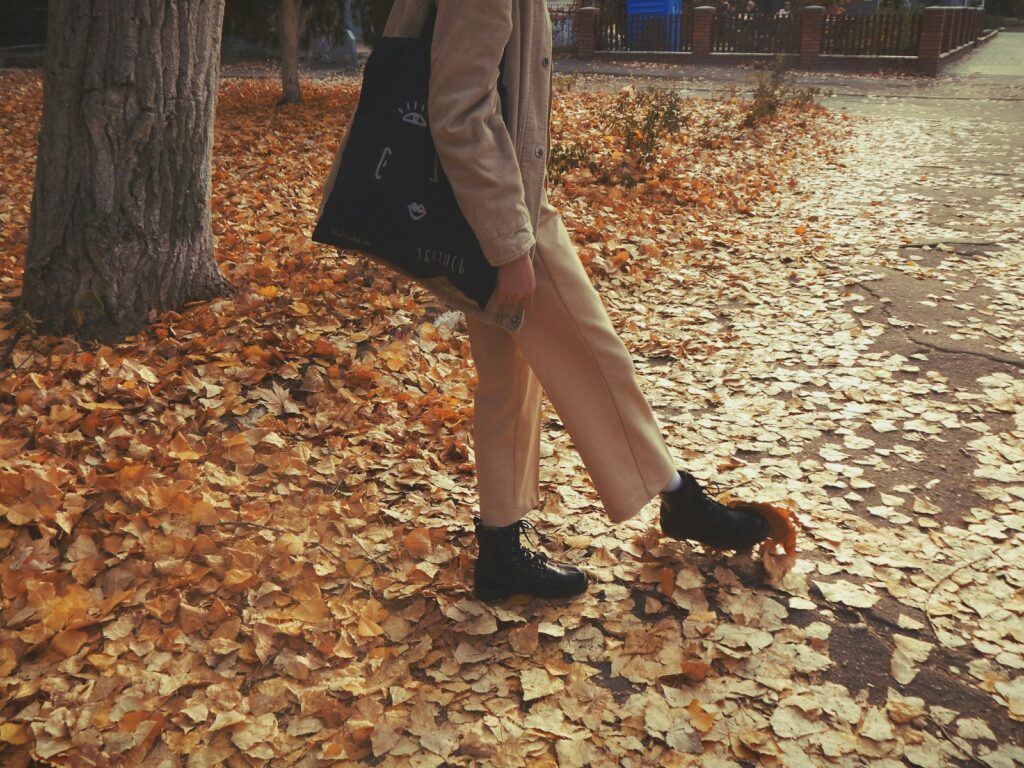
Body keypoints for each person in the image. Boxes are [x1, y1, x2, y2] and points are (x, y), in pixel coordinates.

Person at [327, 0, 769, 601]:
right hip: (499, 210)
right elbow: (458, 109)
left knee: (508, 380)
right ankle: (677, 497)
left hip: (488, 202)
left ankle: (501, 549)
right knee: (594, 352)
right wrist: (510, 246)